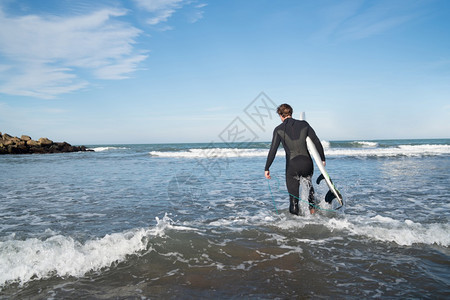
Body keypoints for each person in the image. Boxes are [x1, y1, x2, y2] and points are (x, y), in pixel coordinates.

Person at [264, 104, 326, 215]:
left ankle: (295, 225)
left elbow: (273, 150)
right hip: (307, 163)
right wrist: (322, 158)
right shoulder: (304, 124)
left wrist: (267, 167)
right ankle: (313, 215)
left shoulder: (278, 129)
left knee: (294, 200)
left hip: (292, 166)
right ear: (291, 113)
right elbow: (316, 141)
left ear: (280, 115)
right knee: (309, 186)